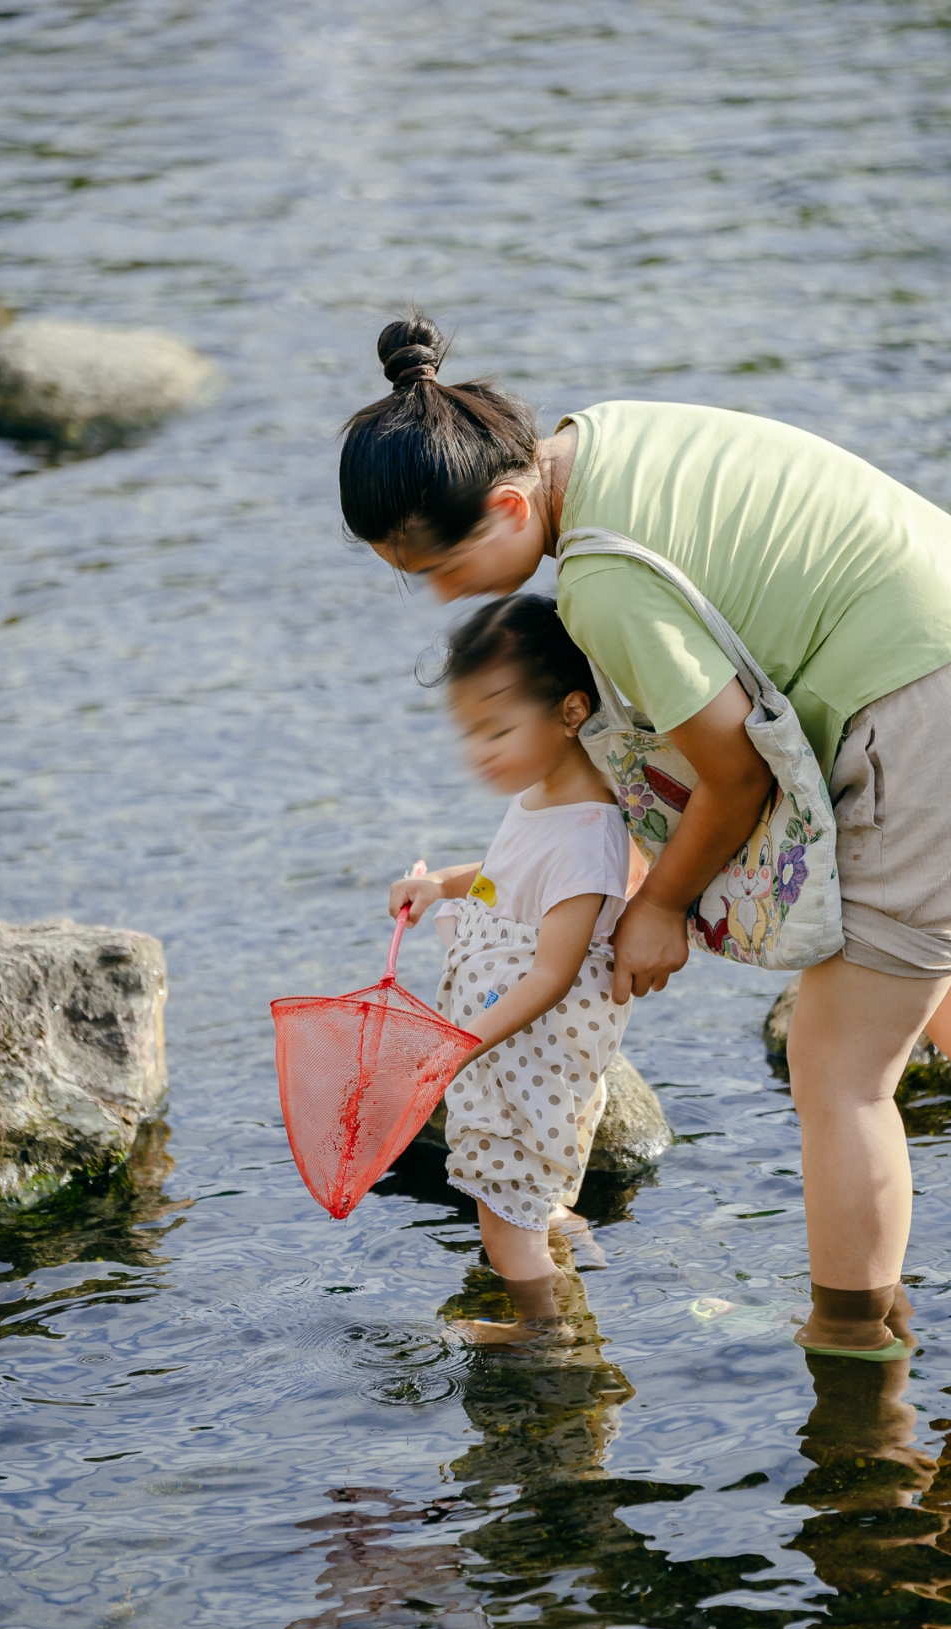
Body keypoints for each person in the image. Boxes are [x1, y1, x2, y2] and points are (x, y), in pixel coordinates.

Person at [344, 314, 951, 1362]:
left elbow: (734, 770)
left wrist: (662, 905)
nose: (445, 599)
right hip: (926, 631)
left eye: (442, 570)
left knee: (839, 1072)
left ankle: (857, 1367)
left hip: (917, 704)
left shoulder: (603, 580)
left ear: (504, 502)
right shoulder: (602, 439)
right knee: (925, 993)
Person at [388, 595, 633, 1339]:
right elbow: (505, 872)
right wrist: (444, 886)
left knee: (500, 1212)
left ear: (569, 711)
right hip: (505, 1045)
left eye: (498, 727)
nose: (480, 751)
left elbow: (553, 973)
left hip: (530, 1049)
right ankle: (560, 1222)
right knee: (520, 1176)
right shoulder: (544, 797)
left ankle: (542, 1330)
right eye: (470, 733)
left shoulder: (590, 834)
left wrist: (456, 1046)